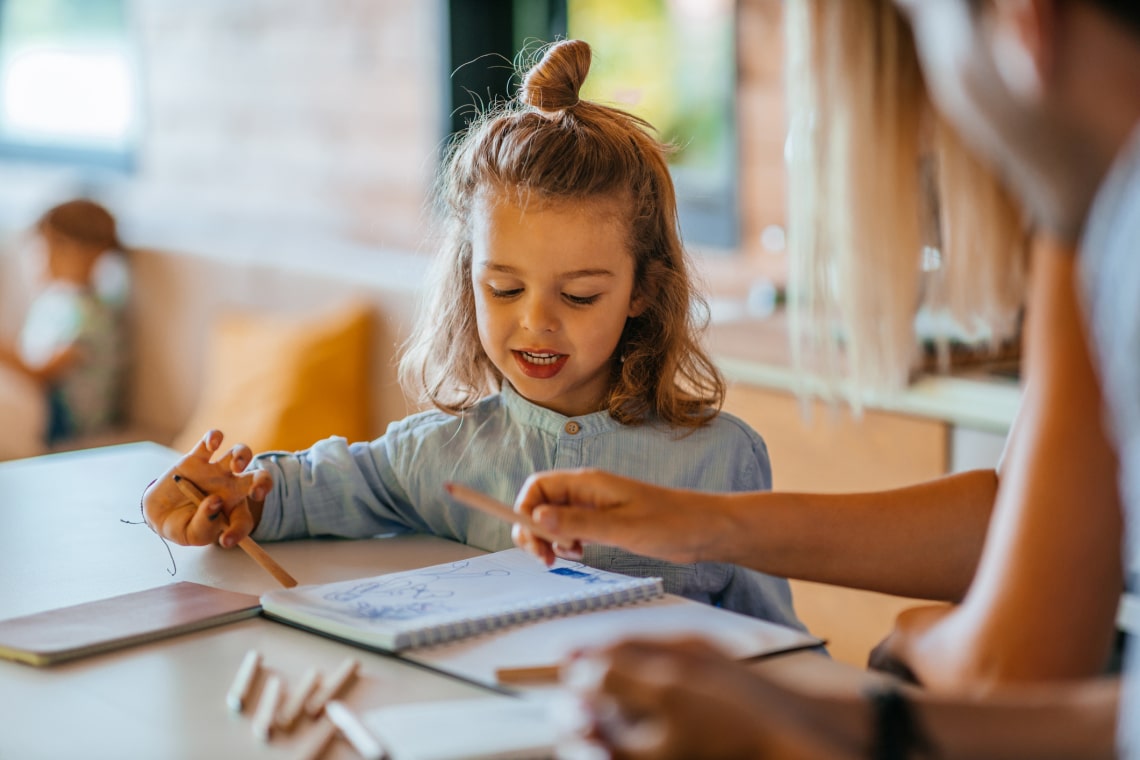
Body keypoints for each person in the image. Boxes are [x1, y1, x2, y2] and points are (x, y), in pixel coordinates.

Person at [509, 0, 1140, 756]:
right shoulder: (1093, 214)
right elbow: (1025, 516)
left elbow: (1015, 662)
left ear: (1023, 24)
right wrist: (701, 523)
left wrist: (901, 660)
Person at [141, 39, 806, 632]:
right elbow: (305, 490)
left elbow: (779, 648)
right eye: (504, 289)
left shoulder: (721, 461)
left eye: (578, 295)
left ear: (643, 291)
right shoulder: (442, 453)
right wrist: (223, 496)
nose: (536, 322)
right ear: (468, 280)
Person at [0, 198, 128, 449]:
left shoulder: (91, 315)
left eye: (45, 248)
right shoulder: (53, 301)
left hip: (66, 421)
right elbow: (28, 353)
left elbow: (42, 375)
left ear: (80, 253)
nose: (38, 258)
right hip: (39, 402)